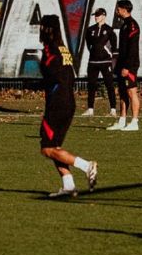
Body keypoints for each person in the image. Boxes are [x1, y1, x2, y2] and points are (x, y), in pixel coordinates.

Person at [37, 15, 98, 199]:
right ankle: (68, 186)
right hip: (68, 101)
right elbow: (68, 75)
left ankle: (87, 166)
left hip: (57, 103)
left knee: (47, 149)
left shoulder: (50, 49)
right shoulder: (63, 48)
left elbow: (51, 74)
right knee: (55, 147)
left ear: (47, 29)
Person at [107, 0, 141, 131]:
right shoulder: (124, 25)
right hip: (122, 64)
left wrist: (127, 66)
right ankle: (122, 120)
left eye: (118, 8)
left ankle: (135, 122)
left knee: (131, 91)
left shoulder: (132, 25)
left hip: (130, 65)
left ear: (124, 9)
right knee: (122, 92)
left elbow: (133, 48)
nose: (117, 11)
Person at [83, 8, 118, 117]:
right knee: (91, 85)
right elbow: (88, 44)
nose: (96, 17)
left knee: (109, 85)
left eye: (98, 15)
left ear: (104, 16)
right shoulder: (90, 30)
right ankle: (90, 109)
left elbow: (114, 46)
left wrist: (110, 58)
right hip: (93, 62)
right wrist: (94, 51)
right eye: (95, 15)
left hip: (105, 61)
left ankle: (113, 109)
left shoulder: (109, 30)